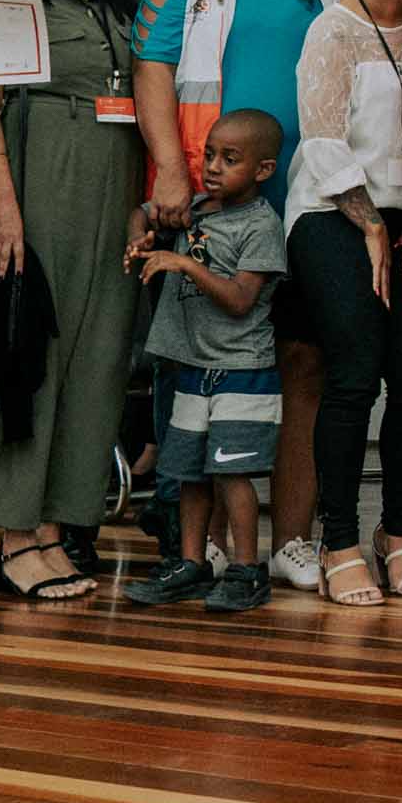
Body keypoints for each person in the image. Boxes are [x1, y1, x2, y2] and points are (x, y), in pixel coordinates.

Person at [133, 0, 344, 591]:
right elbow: (151, 65)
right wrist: (167, 170)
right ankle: (212, 545)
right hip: (212, 206)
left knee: (302, 366)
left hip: (311, 203)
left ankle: (291, 541)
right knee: (209, 373)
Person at [0, 0, 149, 605]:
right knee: (31, 357)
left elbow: (146, 96)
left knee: (100, 356)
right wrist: (4, 206)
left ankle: (59, 527)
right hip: (40, 172)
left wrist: (142, 198)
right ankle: (13, 535)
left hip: (116, 176)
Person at [287, 0, 402, 607]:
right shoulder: (333, 30)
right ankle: (340, 539)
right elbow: (321, 138)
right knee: (355, 372)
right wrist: (372, 222)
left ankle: (399, 533)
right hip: (331, 210)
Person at [122, 110, 289, 614]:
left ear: (262, 171)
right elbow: (142, 213)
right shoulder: (193, 208)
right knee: (190, 473)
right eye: (210, 155)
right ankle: (193, 565)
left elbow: (241, 299)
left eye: (230, 159)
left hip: (243, 371)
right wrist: (142, 237)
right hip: (192, 369)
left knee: (232, 475)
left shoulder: (261, 225)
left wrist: (184, 262)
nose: (213, 167)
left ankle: (245, 569)